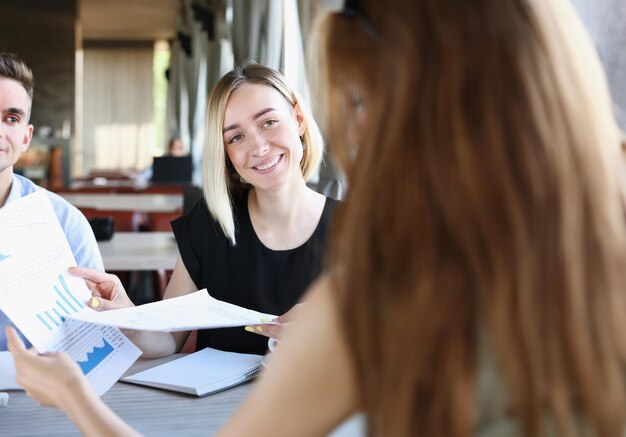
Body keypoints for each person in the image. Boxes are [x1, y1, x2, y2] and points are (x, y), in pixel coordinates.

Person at [10, 0, 626, 435]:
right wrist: (133, 318)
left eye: (360, 102)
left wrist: (68, 394)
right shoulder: (589, 265)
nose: (355, 130)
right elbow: (168, 335)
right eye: (234, 137)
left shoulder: (375, 284)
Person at [75, 62, 333, 357]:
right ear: (225, 154)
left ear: (298, 118)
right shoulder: (210, 224)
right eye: (236, 137)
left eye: (268, 122)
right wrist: (127, 319)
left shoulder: (360, 228)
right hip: (217, 405)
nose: (258, 147)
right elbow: (168, 339)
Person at [0, 53, 103, 350]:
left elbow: (96, 331)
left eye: (12, 118)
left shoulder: (65, 223)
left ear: (26, 137)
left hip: (41, 389)